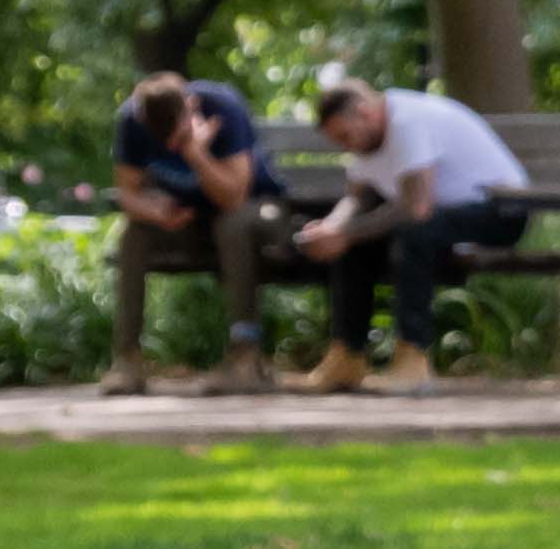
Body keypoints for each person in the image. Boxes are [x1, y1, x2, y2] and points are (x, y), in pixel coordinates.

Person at [293, 71, 533, 390]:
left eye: (346, 137)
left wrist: (344, 232)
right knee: (358, 243)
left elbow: (415, 207)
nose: (345, 147)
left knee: (413, 230)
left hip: (501, 211)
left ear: (365, 111)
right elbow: (357, 198)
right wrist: (331, 228)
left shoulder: (407, 122)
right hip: (444, 220)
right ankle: (348, 355)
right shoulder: (367, 141)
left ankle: (413, 358)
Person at [106, 70, 287, 392]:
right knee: (134, 233)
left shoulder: (224, 106)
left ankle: (245, 356)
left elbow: (234, 197)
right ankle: (126, 360)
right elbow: (127, 192)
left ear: (190, 106)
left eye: (176, 136)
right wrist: (155, 211)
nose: (170, 146)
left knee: (232, 225)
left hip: (256, 213)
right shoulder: (132, 119)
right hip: (187, 220)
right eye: (164, 142)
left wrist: (194, 152)